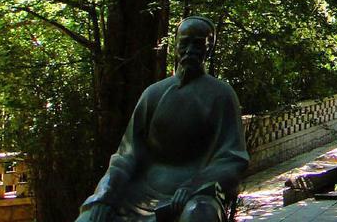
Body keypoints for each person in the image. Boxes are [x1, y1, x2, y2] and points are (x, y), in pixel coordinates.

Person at [77, 17, 249, 222]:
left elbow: (233, 158)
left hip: (196, 191)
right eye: (185, 43)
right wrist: (106, 195)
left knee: (199, 214)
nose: (190, 50)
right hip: (140, 194)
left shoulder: (221, 95)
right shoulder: (153, 94)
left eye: (198, 44)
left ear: (209, 48)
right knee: (90, 218)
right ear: (175, 45)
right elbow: (127, 155)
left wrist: (195, 185)